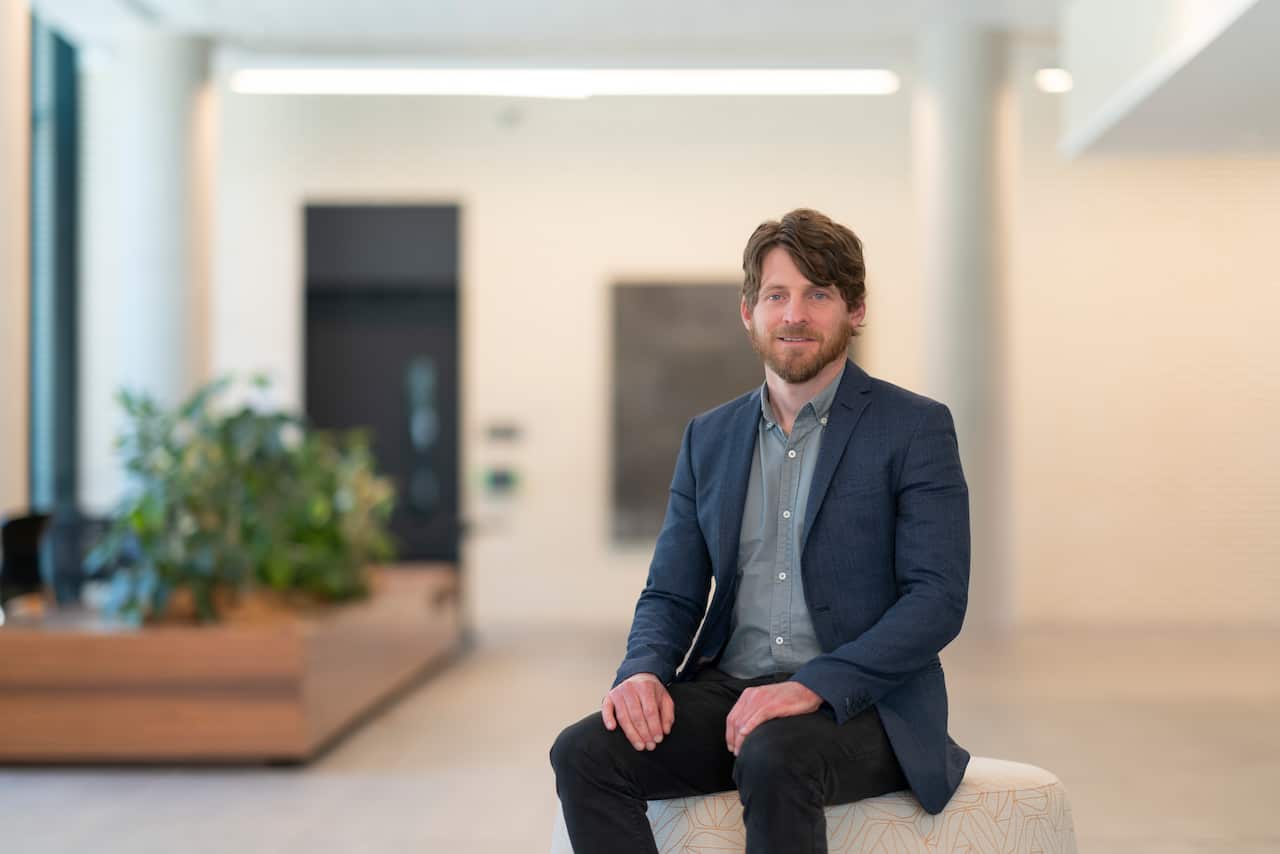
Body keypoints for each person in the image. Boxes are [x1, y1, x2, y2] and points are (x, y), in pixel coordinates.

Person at [550, 208, 971, 854]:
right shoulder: (709, 438)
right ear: (748, 312)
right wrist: (642, 670)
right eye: (777, 295)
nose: (794, 315)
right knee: (582, 752)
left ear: (856, 310)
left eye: (818, 294)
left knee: (776, 755)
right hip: (732, 693)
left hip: (861, 704)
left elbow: (936, 600)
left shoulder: (914, 428)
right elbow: (672, 592)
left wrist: (812, 685)